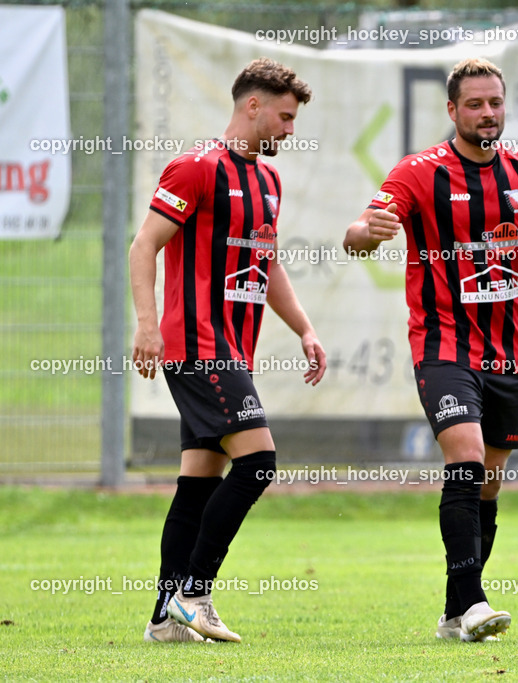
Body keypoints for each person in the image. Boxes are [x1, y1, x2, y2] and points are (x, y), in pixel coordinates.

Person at [343, 57, 518, 642]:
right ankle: (477, 602)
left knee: (487, 481)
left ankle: (454, 612)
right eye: (476, 104)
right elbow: (359, 228)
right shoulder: (418, 172)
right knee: (463, 459)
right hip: (443, 346)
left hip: (507, 354)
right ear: (453, 110)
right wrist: (366, 234)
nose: (488, 114)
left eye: (496, 103)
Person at [130, 58, 327, 643]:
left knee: (199, 480)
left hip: (232, 351)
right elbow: (144, 246)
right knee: (259, 463)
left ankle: (166, 619)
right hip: (197, 345)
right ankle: (194, 591)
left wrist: (305, 329)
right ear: (253, 107)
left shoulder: (267, 181)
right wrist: (147, 324)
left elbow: (265, 265)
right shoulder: (195, 168)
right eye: (285, 118)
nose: (290, 131)